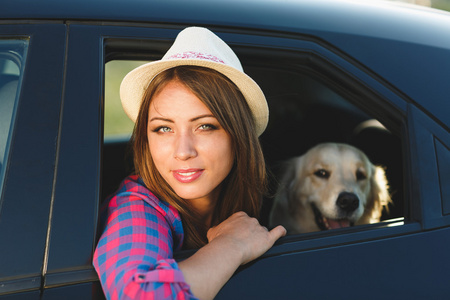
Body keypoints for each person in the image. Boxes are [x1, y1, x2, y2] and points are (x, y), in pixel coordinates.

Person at [93, 27, 286, 300]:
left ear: (238, 136)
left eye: (205, 126)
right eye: (163, 129)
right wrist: (230, 245)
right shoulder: (135, 207)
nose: (183, 152)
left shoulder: (251, 198)